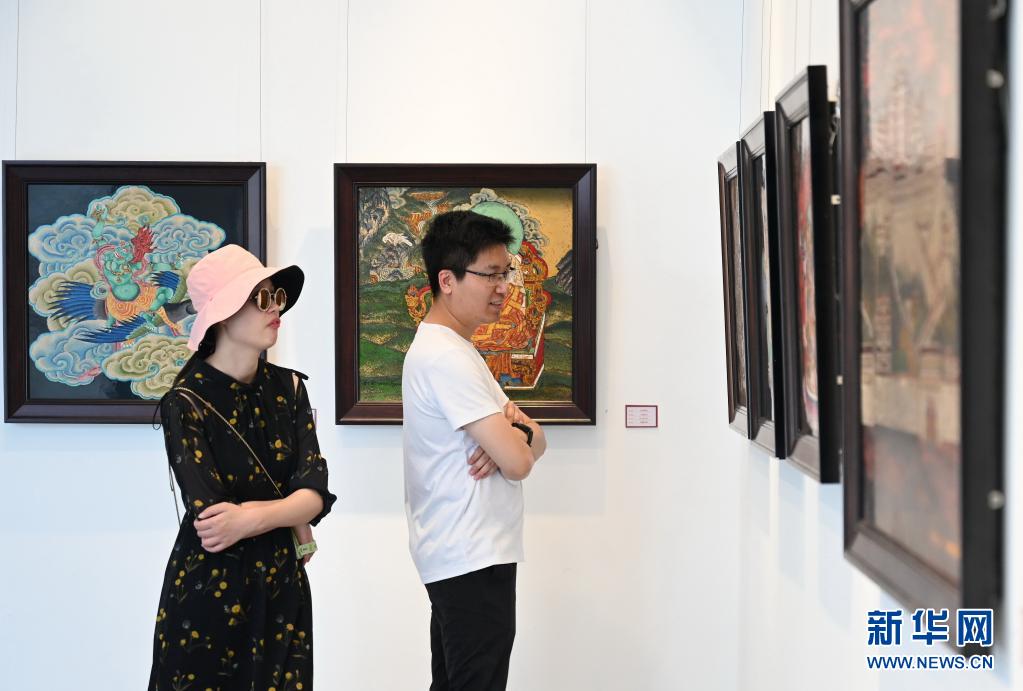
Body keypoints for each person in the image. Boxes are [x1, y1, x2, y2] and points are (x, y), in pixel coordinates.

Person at [149, 244, 336, 690]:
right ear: (222, 314)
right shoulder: (185, 402)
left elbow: (315, 492)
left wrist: (251, 516)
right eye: (261, 298)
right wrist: (288, 511)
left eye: (277, 297)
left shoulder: (290, 388)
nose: (275, 309)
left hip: (283, 588)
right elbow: (214, 521)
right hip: (210, 590)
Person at [402, 210, 548, 690]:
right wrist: (514, 441)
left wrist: (516, 436)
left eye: (506, 273)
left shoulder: (457, 350)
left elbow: (533, 438)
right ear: (447, 280)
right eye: (491, 275)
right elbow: (520, 462)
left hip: (465, 551)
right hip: (470, 552)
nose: (504, 287)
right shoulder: (446, 356)